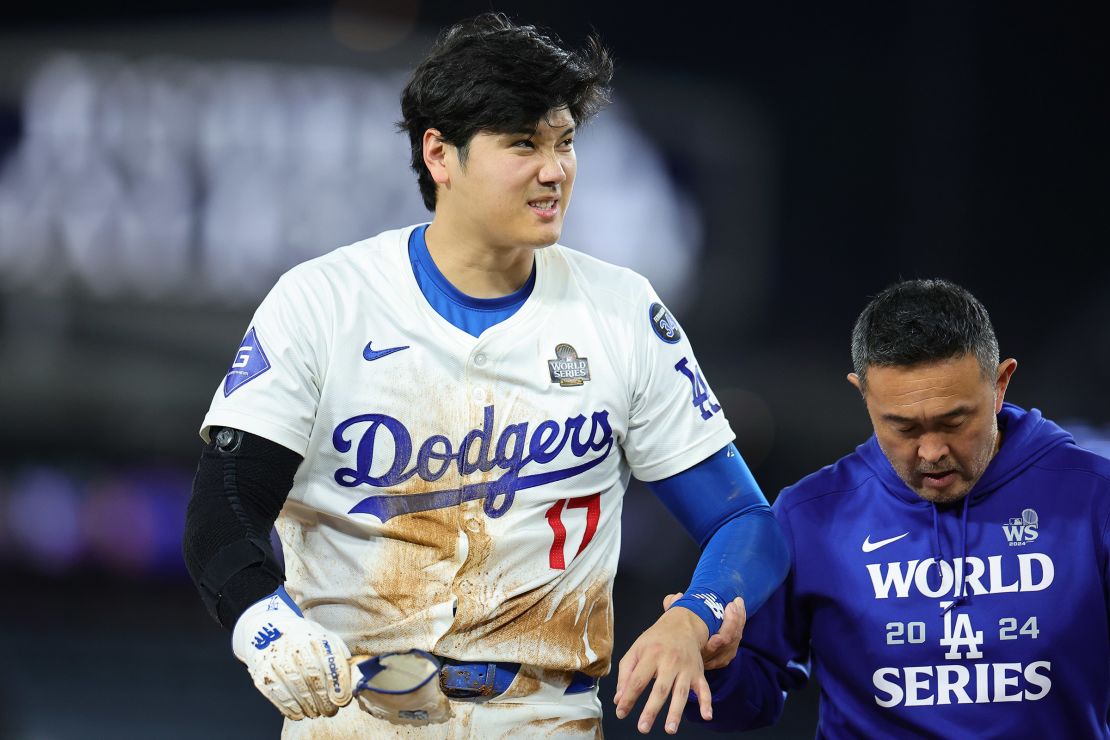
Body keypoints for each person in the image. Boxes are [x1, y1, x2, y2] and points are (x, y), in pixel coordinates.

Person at [181, 13, 789, 738]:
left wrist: (698, 613)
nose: (554, 169)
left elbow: (747, 522)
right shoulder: (324, 302)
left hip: (544, 714)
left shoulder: (622, 313)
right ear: (440, 155)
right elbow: (223, 506)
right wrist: (264, 625)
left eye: (564, 142)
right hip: (356, 717)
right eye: (523, 144)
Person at [680, 278, 1110, 738]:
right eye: (903, 427)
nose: (930, 451)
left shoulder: (1094, 500)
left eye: (954, 421)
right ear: (863, 395)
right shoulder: (809, 515)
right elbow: (752, 702)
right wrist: (714, 668)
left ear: (1001, 384)